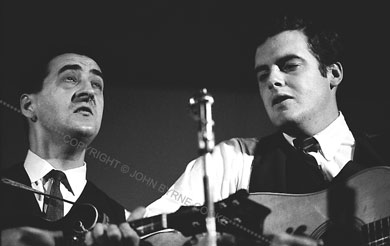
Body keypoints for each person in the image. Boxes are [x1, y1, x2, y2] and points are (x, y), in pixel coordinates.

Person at [144, 14, 389, 246]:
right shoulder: (235, 159)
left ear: (333, 74)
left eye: (290, 65)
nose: (272, 80)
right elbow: (151, 229)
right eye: (263, 75)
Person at [1, 50, 145, 246]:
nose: (89, 92)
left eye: (97, 84)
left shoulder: (121, 222)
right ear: (28, 105)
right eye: (70, 79)